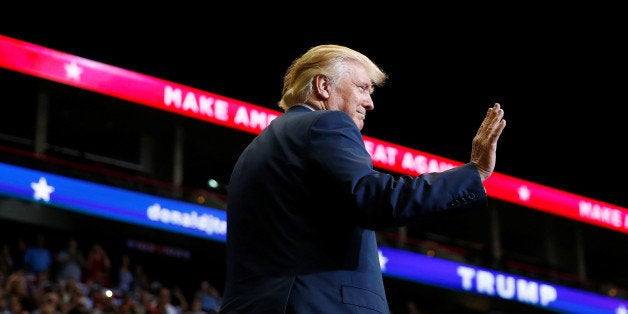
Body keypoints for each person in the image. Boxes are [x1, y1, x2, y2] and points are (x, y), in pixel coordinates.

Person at [219, 44, 506, 313]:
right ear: (323, 86)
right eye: (362, 88)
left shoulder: (256, 149)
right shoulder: (325, 123)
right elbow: (376, 199)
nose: (369, 103)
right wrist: (475, 173)